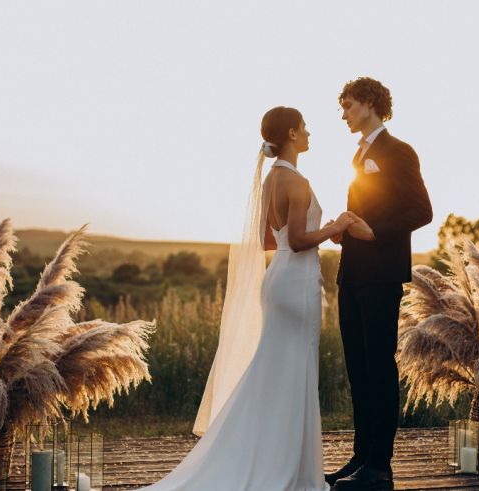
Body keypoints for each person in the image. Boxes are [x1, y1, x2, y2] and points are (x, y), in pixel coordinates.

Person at [138, 106, 353, 491]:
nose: (308, 134)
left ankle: (261, 455)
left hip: (277, 280)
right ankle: (290, 469)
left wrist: (308, 235)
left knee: (272, 371)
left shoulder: (271, 180)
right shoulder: (298, 182)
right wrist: (335, 227)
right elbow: (301, 241)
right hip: (297, 283)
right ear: (290, 133)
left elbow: (269, 239)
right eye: (304, 128)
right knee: (293, 374)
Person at [325, 77, 433, 491]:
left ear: (370, 104)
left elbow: (421, 210)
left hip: (381, 275)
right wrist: (345, 226)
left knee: (379, 370)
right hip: (351, 275)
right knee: (358, 369)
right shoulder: (360, 155)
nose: (345, 115)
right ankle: (360, 457)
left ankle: (380, 468)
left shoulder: (399, 151)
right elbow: (367, 207)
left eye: (349, 106)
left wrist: (376, 232)